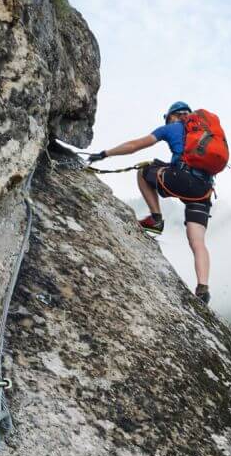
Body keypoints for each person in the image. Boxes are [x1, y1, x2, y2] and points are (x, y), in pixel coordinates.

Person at [90, 101, 220, 304]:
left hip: (181, 179)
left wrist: (105, 153)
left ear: (173, 116)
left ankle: (156, 219)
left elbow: (134, 146)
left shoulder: (172, 128)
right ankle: (203, 288)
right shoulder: (205, 134)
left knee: (144, 170)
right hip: (204, 190)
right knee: (198, 242)